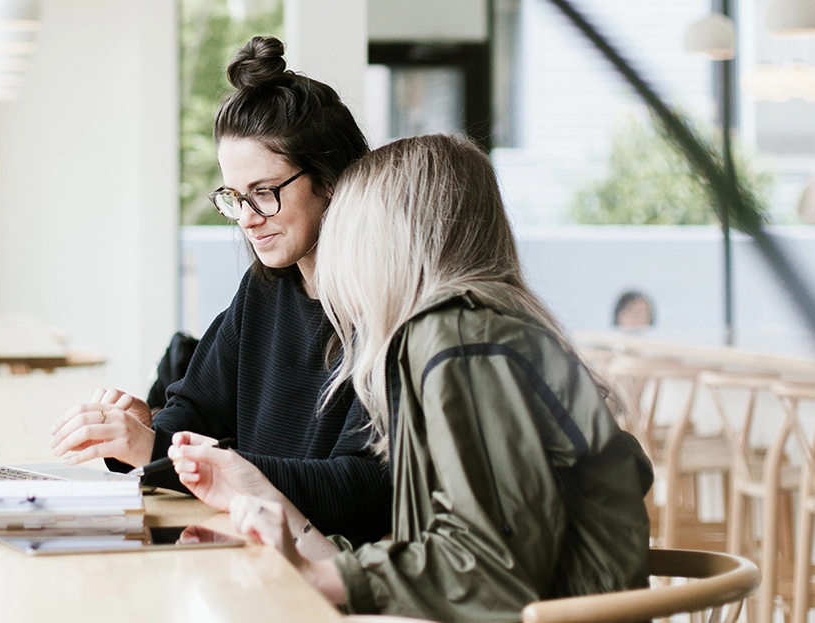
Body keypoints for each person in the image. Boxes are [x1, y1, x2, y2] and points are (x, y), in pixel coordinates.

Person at [170, 134, 654, 620]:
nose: (340, 258)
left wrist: (316, 575)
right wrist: (254, 492)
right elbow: (454, 570)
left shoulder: (460, 344)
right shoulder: (473, 332)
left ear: (393, 239)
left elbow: (488, 574)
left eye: (351, 234)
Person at [46, 35, 392, 545]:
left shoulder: (390, 310)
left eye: (265, 193)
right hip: (251, 552)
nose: (248, 220)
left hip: (321, 576)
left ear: (333, 178)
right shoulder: (265, 289)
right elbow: (194, 410)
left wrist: (161, 446)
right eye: (234, 197)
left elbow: (361, 489)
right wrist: (145, 430)